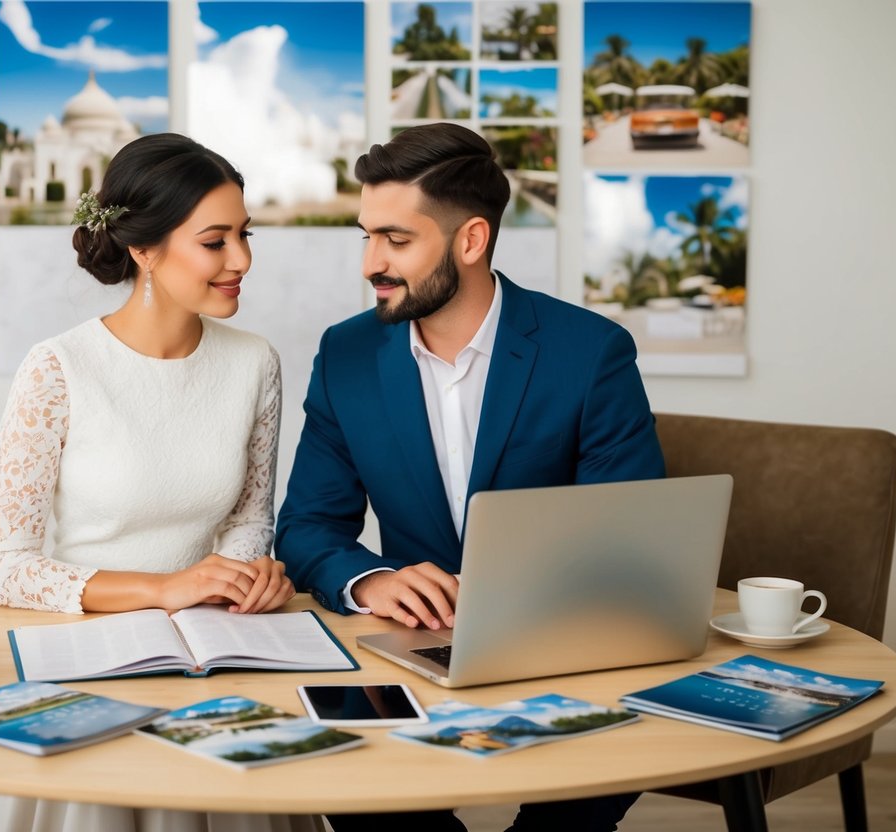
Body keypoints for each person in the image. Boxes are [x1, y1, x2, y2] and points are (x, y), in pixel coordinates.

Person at [275, 123, 665, 831]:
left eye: (396, 240)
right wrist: (372, 580)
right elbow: (305, 527)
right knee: (342, 777)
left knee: (597, 777)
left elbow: (629, 542)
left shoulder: (591, 352)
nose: (371, 263)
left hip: (564, 653)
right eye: (365, 236)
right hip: (401, 653)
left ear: (470, 240)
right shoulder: (346, 354)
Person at [0, 133, 315, 832]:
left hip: (218, 651)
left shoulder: (255, 363)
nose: (242, 261)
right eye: (215, 241)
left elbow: (250, 520)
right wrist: (163, 591)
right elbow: (2, 569)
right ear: (144, 250)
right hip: (90, 654)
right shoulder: (57, 368)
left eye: (244, 236)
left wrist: (247, 576)